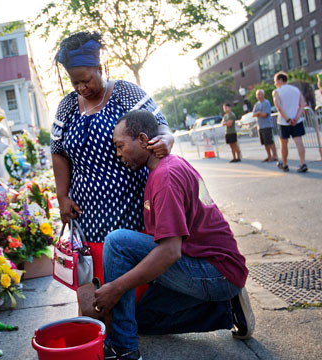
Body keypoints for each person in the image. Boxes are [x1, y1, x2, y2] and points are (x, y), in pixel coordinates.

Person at [94, 110, 254, 360]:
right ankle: (227, 310)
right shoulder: (164, 167)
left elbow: (170, 251)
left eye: (120, 146)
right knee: (142, 319)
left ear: (144, 140)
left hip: (216, 271)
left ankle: (123, 347)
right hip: (206, 267)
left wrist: (116, 287)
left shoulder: (165, 177)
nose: (118, 154)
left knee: (117, 242)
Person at [50, 32, 174, 282]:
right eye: (75, 83)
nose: (81, 88)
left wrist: (166, 140)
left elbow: (160, 125)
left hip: (131, 209)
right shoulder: (67, 106)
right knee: (97, 288)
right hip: (88, 217)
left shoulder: (124, 92)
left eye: (86, 80)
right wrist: (62, 197)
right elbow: (58, 152)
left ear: (99, 67)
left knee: (134, 285)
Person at [272, 72, 308, 173]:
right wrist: (296, 118)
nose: (275, 83)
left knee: (283, 144)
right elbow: (302, 105)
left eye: (275, 81)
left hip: (284, 121)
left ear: (280, 80)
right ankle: (303, 163)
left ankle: (284, 164)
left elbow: (278, 107)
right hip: (297, 120)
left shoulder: (276, 91)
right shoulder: (296, 90)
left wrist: (287, 119)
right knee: (299, 142)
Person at [252, 89, 278, 162]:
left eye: (260, 94)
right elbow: (253, 114)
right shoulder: (256, 104)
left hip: (267, 125)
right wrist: (258, 113)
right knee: (265, 143)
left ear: (263, 94)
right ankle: (269, 156)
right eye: (257, 94)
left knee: (270, 141)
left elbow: (265, 114)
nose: (259, 96)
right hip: (260, 126)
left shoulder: (266, 102)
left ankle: (274, 156)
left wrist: (258, 114)